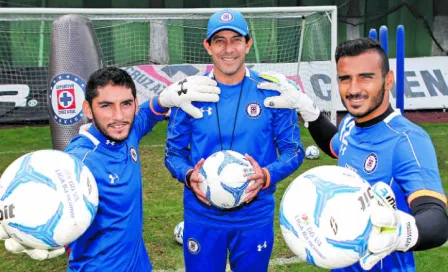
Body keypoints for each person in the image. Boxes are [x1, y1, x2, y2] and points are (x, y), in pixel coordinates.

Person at [0, 67, 220, 271]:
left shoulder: (127, 130)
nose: (118, 116)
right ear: (88, 109)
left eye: (126, 104)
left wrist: (165, 98)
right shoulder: (79, 161)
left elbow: (146, 115)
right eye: (106, 106)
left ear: (134, 103)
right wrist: (39, 233)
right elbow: (50, 191)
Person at [261, 37, 448, 271]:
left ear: (388, 80)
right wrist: (305, 107)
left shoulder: (407, 140)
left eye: (366, 77)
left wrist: (401, 232)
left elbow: (438, 220)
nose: (354, 89)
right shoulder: (351, 123)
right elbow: (333, 145)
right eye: (345, 79)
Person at [164, 9, 304, 272]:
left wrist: (266, 174)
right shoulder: (189, 92)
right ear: (208, 46)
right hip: (202, 216)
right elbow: (173, 153)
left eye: (236, 40)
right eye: (219, 41)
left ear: (248, 44)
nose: (229, 49)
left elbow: (294, 151)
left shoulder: (271, 91)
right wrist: (186, 174)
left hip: (254, 215)